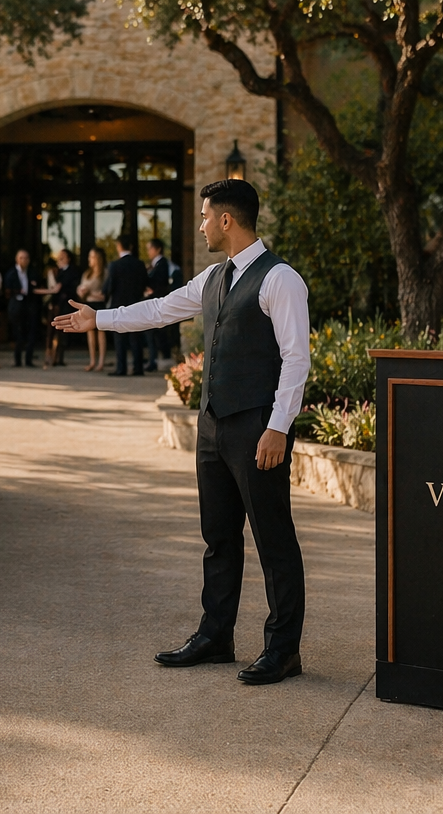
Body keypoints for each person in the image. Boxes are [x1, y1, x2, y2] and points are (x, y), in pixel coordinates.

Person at [53, 178, 311, 685]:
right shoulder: (213, 277)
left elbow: (296, 358)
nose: (200, 225)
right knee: (217, 537)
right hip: (214, 426)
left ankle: (283, 650)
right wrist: (98, 319)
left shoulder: (281, 280)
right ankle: (216, 636)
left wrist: (279, 427)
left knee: (273, 540)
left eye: (203, 216)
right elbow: (158, 309)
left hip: (259, 427)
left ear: (226, 220)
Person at [101, 233, 148, 376]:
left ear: (118, 246)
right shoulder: (139, 264)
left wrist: (105, 294)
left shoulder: (115, 265)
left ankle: (121, 368)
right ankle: (138, 368)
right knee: (135, 338)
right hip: (136, 303)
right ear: (132, 247)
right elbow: (145, 283)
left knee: (120, 339)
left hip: (118, 304)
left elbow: (109, 286)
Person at [3, 248, 41, 368]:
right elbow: (7, 291)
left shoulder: (33, 272)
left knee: (31, 332)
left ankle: (28, 360)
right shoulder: (11, 274)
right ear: (17, 259)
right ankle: (17, 360)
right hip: (16, 306)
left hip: (29, 305)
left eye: (25, 258)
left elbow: (37, 287)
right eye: (21, 258)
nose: (23, 260)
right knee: (17, 333)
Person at [45, 248, 81, 368]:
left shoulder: (73, 272)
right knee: (51, 331)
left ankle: (59, 357)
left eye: (63, 257)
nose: (60, 259)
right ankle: (50, 356)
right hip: (55, 304)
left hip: (65, 304)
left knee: (63, 331)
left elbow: (71, 288)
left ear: (68, 259)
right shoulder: (56, 272)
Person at [77, 246, 109, 371]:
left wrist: (89, 292)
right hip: (88, 304)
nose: (89, 259)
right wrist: (81, 292)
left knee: (101, 333)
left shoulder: (105, 273)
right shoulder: (87, 273)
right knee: (90, 333)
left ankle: (101, 362)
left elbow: (105, 294)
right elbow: (81, 287)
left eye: (92, 256)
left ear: (98, 258)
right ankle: (92, 361)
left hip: (99, 305)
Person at [144, 237, 173, 372]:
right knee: (153, 333)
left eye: (150, 248)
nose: (148, 251)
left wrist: (151, 290)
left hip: (158, 301)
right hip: (154, 299)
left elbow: (160, 283)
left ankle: (155, 360)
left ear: (158, 249)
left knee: (157, 332)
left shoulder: (162, 264)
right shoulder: (154, 264)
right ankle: (153, 359)